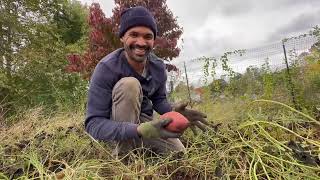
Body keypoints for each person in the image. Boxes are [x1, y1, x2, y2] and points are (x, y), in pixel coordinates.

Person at [85, 6, 208, 156]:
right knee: (129, 85)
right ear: (122, 37)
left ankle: (138, 144)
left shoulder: (157, 66)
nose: (141, 42)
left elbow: (159, 99)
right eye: (134, 34)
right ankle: (124, 157)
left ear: (153, 40)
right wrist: (136, 130)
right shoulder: (107, 68)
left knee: (179, 154)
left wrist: (173, 111)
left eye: (148, 36)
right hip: (114, 126)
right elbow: (93, 123)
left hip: (144, 123)